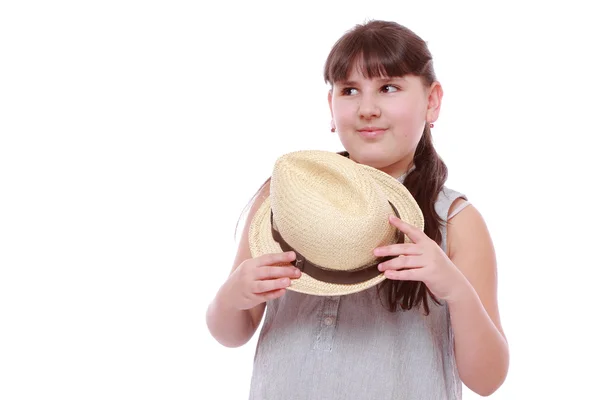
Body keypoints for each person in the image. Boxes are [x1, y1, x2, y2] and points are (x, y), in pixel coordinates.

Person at [206, 19, 509, 399]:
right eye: (349, 90)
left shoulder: (456, 220)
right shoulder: (287, 198)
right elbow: (230, 333)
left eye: (388, 87)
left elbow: (488, 380)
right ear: (331, 107)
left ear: (431, 101)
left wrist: (456, 290)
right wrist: (233, 295)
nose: (367, 108)